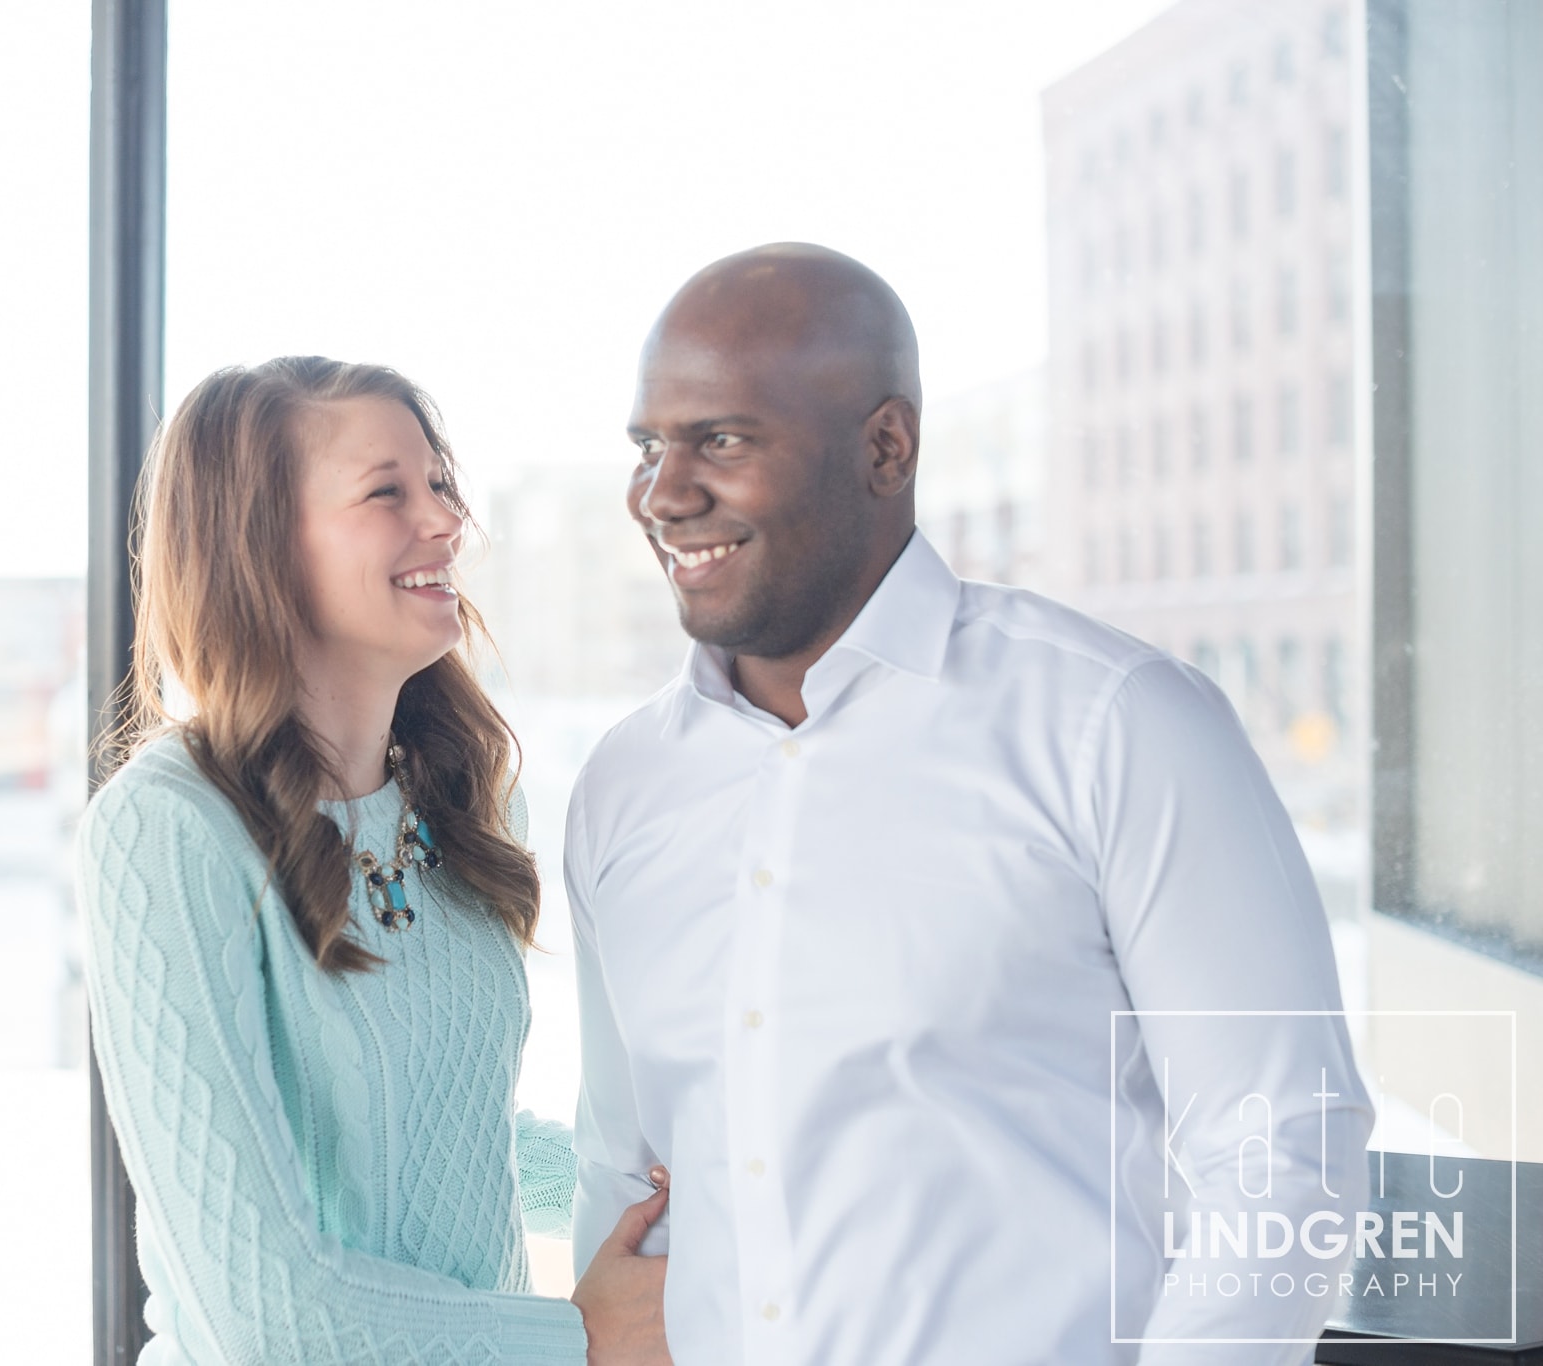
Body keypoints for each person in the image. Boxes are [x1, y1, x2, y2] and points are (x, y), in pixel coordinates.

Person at [566, 244, 1374, 1364]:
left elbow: (1283, 1147)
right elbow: (622, 1164)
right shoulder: (621, 786)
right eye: (648, 445)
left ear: (884, 447)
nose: (662, 493)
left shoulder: (1118, 725)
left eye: (721, 439)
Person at [76, 356, 671, 1365]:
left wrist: (656, 1200)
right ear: (257, 545)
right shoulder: (166, 828)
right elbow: (262, 1312)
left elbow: (439, 1130)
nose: (445, 521)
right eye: (385, 491)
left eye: (438, 483)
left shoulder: (469, 802)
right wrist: (580, 1336)